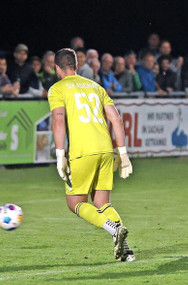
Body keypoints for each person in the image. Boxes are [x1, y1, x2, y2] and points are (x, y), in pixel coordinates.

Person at [48, 48, 135, 262]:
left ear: (57, 68)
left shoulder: (57, 89)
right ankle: (127, 250)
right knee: (102, 203)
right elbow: (116, 119)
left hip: (82, 151)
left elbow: (58, 121)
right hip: (105, 149)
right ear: (76, 66)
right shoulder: (96, 87)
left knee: (75, 202)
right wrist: (122, 152)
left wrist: (60, 155)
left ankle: (113, 231)